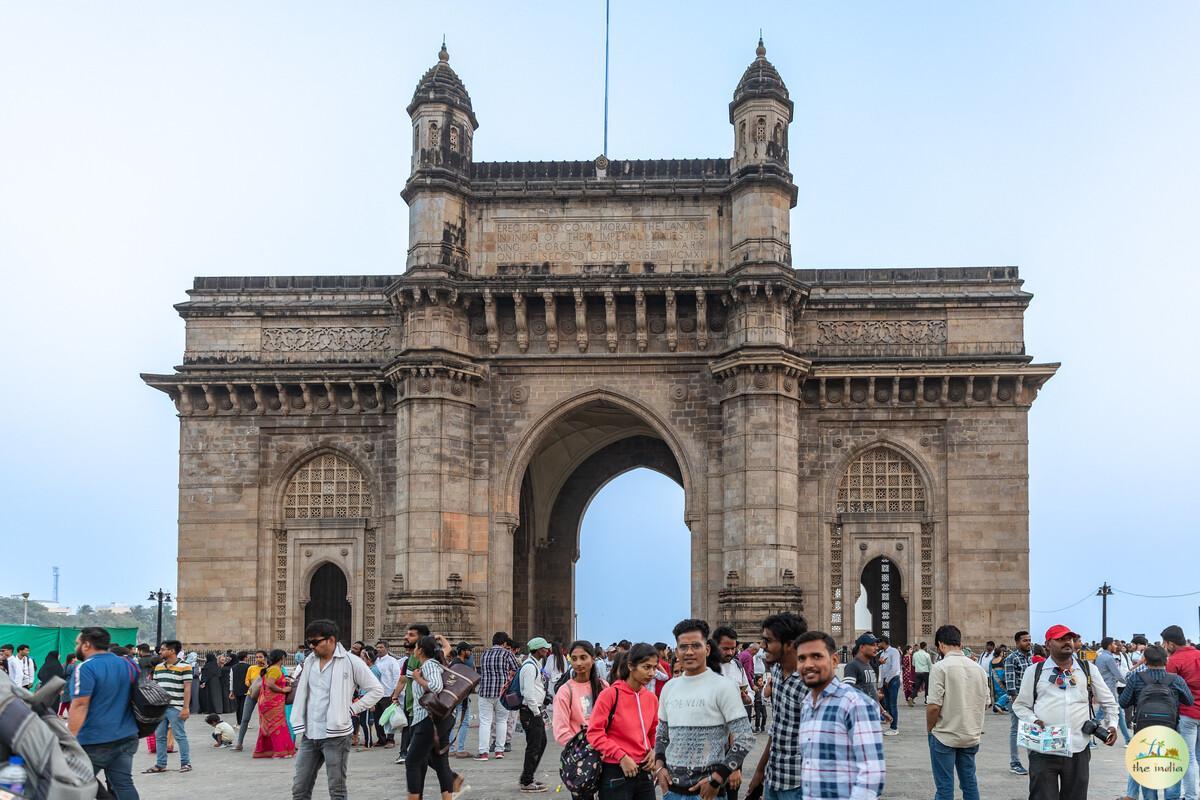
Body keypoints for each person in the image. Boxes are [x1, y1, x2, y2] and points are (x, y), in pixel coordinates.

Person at [1013, 624, 1119, 800]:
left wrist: (1113, 725)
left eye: (1069, 639)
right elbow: (1020, 705)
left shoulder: (1087, 669)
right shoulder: (1035, 672)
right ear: (1048, 644)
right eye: (1060, 639)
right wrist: (1033, 720)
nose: (1067, 642)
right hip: (1044, 747)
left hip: (1078, 748)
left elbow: (1109, 702)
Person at [654, 618, 754, 800]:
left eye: (695, 646)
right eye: (683, 647)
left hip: (709, 793)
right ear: (676, 651)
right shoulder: (669, 687)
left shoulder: (724, 687)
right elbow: (662, 733)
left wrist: (717, 778)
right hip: (672, 792)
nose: (689, 652)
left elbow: (745, 738)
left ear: (707, 649)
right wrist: (659, 766)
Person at [290, 618, 384, 800]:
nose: (312, 646)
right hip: (310, 733)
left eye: (315, 642)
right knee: (299, 788)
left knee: (336, 789)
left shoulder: (351, 661)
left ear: (331, 640)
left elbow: (376, 689)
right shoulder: (310, 661)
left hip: (337, 735)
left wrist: (351, 709)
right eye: (309, 642)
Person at [793, 630, 885, 799]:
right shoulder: (807, 705)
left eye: (816, 656)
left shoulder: (855, 704)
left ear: (834, 660)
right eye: (801, 658)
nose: (808, 664)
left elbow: (872, 775)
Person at [67, 627, 140, 799]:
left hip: (96, 740)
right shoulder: (127, 664)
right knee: (123, 784)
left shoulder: (85, 668)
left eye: (77, 643)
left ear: (86, 645)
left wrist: (69, 739)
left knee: (71, 784)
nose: (76, 647)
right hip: (127, 735)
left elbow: (80, 705)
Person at [745, 611, 809, 800]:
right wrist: (759, 771)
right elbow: (778, 728)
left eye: (768, 641)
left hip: (799, 783)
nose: (763, 647)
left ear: (790, 644)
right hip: (774, 778)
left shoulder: (809, 684)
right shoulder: (777, 672)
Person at [588, 643, 660, 800]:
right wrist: (621, 756)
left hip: (644, 771)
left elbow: (654, 732)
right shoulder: (610, 695)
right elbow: (594, 733)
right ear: (631, 666)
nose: (652, 673)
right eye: (646, 667)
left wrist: (654, 751)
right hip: (615, 770)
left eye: (654, 668)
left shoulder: (651, 698)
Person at [1120, 644, 1193, 800]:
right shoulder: (1176, 679)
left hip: (1144, 732)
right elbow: (1189, 700)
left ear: (1145, 660)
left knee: (1148, 769)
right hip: (1170, 731)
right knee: (1171, 767)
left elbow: (1123, 702)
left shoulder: (1136, 678)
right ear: (1166, 660)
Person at [926, 624, 989, 800]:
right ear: (960, 643)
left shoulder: (941, 667)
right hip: (970, 735)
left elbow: (933, 706)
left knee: (945, 787)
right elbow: (986, 703)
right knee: (969, 782)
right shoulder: (978, 669)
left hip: (944, 735)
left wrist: (930, 728)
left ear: (940, 644)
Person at [405, 635, 465, 800]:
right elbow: (446, 649)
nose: (413, 650)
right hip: (441, 719)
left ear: (421, 651)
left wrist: (418, 679)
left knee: (412, 762)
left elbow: (436, 686)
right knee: (439, 761)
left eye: (416, 647)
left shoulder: (430, 665)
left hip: (428, 720)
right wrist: (442, 639)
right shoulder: (437, 662)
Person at [145, 639, 193, 774]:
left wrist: (185, 708)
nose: (160, 651)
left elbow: (187, 688)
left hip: (176, 707)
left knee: (180, 736)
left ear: (172, 651)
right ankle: (161, 764)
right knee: (160, 736)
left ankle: (185, 763)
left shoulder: (185, 666)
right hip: (160, 708)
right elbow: (155, 688)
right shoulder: (159, 668)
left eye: (163, 649)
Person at [1163, 624, 1200, 800]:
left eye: (1165, 644)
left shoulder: (1174, 661)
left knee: (1189, 757)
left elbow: (1169, 690)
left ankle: (1191, 796)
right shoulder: (1199, 655)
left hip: (1187, 713)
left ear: (1170, 643)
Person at [553, 640, 608, 755]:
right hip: (579, 756)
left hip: (606, 753)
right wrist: (584, 750)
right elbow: (561, 731)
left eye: (583, 658)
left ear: (593, 659)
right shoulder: (565, 691)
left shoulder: (603, 686)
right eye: (574, 659)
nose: (578, 663)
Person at [476, 630, 521, 761]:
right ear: (505, 642)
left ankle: (483, 752)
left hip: (485, 692)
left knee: (485, 722)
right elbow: (516, 669)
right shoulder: (507, 653)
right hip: (502, 692)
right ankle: (499, 750)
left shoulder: (484, 653)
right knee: (502, 721)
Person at [517, 636, 552, 792]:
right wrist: (537, 712)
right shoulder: (530, 667)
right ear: (538, 650)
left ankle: (527, 776)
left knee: (540, 743)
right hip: (531, 711)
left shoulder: (535, 664)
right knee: (534, 746)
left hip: (534, 710)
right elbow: (528, 693)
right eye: (544, 648)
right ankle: (526, 781)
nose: (547, 650)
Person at [391, 624, 430, 764]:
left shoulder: (429, 660)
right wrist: (395, 696)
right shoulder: (410, 660)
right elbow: (403, 680)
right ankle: (405, 753)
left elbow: (435, 684)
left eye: (411, 635)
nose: (406, 637)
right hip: (411, 703)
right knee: (409, 730)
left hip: (423, 705)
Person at [843, 633, 892, 730]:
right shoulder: (852, 666)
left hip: (871, 717)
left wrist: (883, 711)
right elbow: (847, 691)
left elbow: (872, 692)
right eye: (872, 645)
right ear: (862, 647)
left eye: (876, 645)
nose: (876, 648)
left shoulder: (868, 666)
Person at [253, 648, 296, 758]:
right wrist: (283, 690)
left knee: (272, 726)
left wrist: (283, 683)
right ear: (281, 658)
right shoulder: (275, 669)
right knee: (277, 726)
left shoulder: (273, 669)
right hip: (272, 703)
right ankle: (279, 751)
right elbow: (270, 684)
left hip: (270, 702)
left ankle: (271, 750)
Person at [1003, 630, 1034, 775]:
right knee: (1016, 731)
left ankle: (1033, 760)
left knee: (1029, 729)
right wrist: (1017, 703)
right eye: (1025, 640)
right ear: (1017, 642)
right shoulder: (1012, 658)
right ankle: (1014, 762)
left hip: (1030, 700)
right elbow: (1010, 683)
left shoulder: (1030, 657)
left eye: (1029, 640)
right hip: (1017, 700)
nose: (1028, 643)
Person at [1096, 636, 1132, 744]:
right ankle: (1088, 738)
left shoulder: (1100, 657)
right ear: (1109, 645)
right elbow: (1118, 674)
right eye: (1114, 644)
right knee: (1100, 716)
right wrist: (1128, 683)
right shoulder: (1109, 658)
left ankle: (1128, 739)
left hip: (1105, 688)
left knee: (1119, 713)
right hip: (1109, 690)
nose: (1115, 646)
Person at [713, 627, 753, 719]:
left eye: (733, 648)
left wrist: (747, 698)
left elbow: (750, 692)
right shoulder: (705, 668)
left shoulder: (738, 666)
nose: (730, 653)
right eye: (725, 649)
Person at [234, 650, 268, 751]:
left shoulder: (270, 668)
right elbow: (246, 681)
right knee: (245, 719)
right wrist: (254, 684)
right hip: (251, 694)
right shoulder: (251, 668)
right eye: (257, 657)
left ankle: (264, 744)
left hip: (264, 696)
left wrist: (266, 667)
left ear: (265, 658)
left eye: (260, 657)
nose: (258, 659)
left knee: (264, 720)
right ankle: (239, 743)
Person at [448, 642, 476, 758]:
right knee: (464, 722)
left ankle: (451, 748)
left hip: (454, 696)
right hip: (461, 696)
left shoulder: (453, 662)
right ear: (463, 651)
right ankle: (460, 749)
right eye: (469, 650)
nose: (470, 652)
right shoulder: (461, 664)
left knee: (452, 722)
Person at [375, 640, 401, 748]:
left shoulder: (392, 661)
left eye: (381, 647)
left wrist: (395, 692)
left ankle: (390, 739)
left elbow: (397, 676)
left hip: (388, 693)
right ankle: (381, 739)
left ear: (386, 648)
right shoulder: (375, 661)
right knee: (378, 718)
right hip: (376, 693)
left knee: (390, 717)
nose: (379, 649)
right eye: (377, 647)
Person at [876, 635, 902, 736]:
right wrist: (881, 683)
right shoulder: (882, 653)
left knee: (893, 704)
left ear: (884, 642)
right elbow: (882, 669)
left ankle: (894, 727)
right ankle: (891, 724)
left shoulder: (894, 652)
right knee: (887, 703)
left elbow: (895, 668)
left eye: (879, 643)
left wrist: (887, 680)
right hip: (886, 681)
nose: (878, 645)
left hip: (893, 680)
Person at [229, 651, 250, 726]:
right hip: (246, 689)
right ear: (245, 657)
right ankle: (244, 723)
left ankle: (239, 722)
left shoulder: (233, 667)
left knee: (238, 706)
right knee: (245, 706)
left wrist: (231, 690)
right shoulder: (249, 667)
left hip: (236, 689)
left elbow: (231, 679)